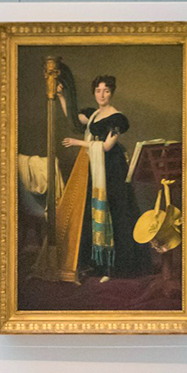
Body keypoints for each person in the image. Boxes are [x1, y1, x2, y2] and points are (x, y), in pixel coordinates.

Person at [60, 74, 150, 280]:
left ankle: (116, 267)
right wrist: (62, 97)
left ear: (112, 93)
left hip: (113, 167)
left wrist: (77, 143)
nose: (101, 95)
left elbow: (108, 146)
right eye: (98, 91)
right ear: (94, 93)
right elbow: (74, 120)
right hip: (97, 166)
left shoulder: (117, 118)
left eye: (106, 91)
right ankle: (98, 264)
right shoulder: (93, 115)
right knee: (94, 211)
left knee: (115, 211)